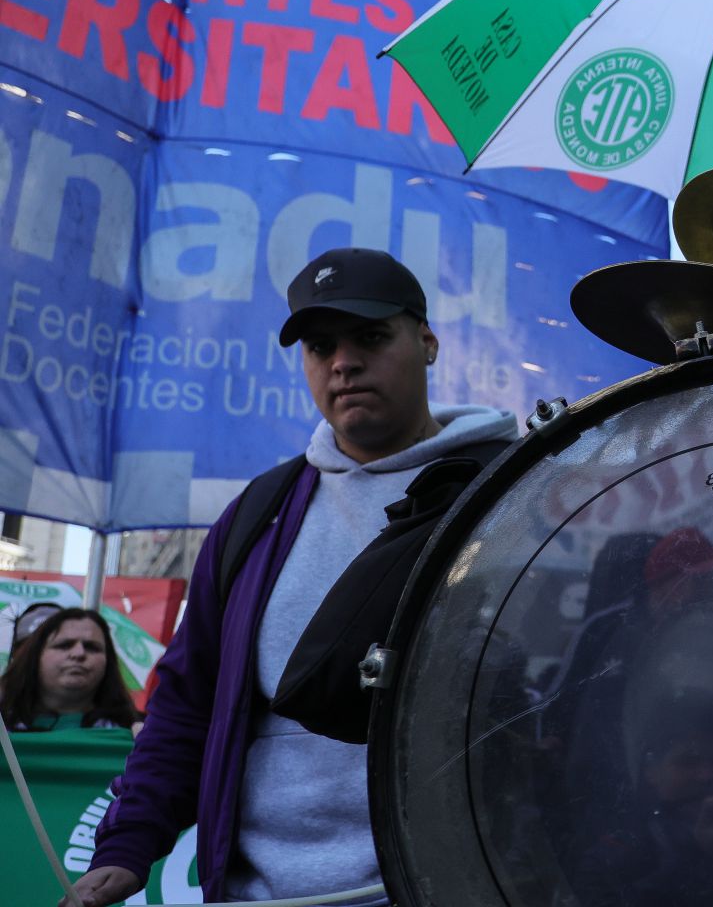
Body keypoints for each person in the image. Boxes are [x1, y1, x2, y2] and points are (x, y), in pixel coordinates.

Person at [70, 247, 519, 907]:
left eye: (370, 337)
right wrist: (130, 842)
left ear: (426, 342)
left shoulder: (515, 492)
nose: (343, 362)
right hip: (257, 894)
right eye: (319, 345)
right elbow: (187, 701)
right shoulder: (259, 514)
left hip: (450, 885)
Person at [2, 607, 140, 732]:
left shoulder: (140, 733)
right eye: (64, 645)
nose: (79, 653)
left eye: (92, 647)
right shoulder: (4, 726)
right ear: (34, 657)